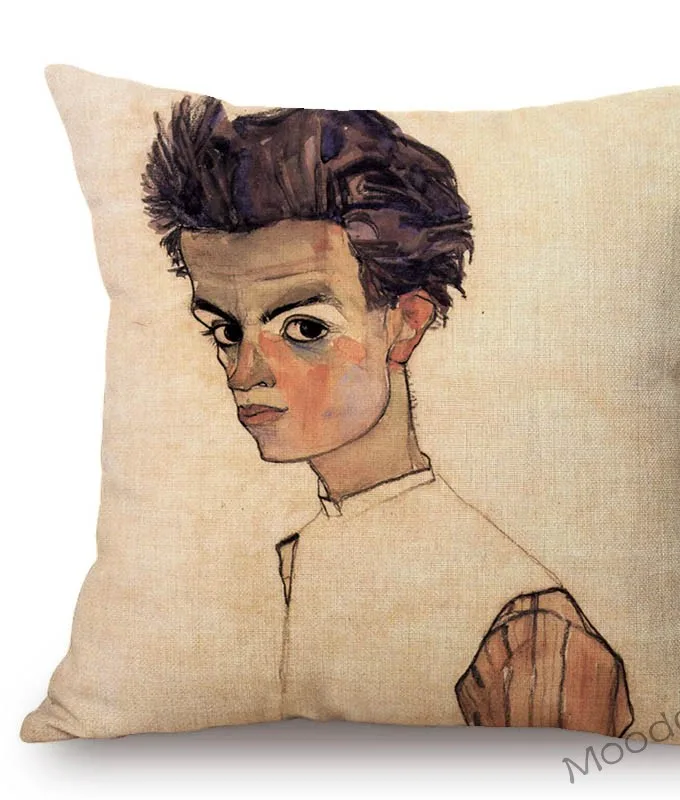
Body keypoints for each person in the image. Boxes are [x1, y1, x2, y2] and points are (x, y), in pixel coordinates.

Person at [141, 98, 633, 734]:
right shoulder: (292, 560)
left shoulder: (526, 631)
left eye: (305, 328)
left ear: (405, 324)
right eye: (226, 331)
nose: (245, 373)